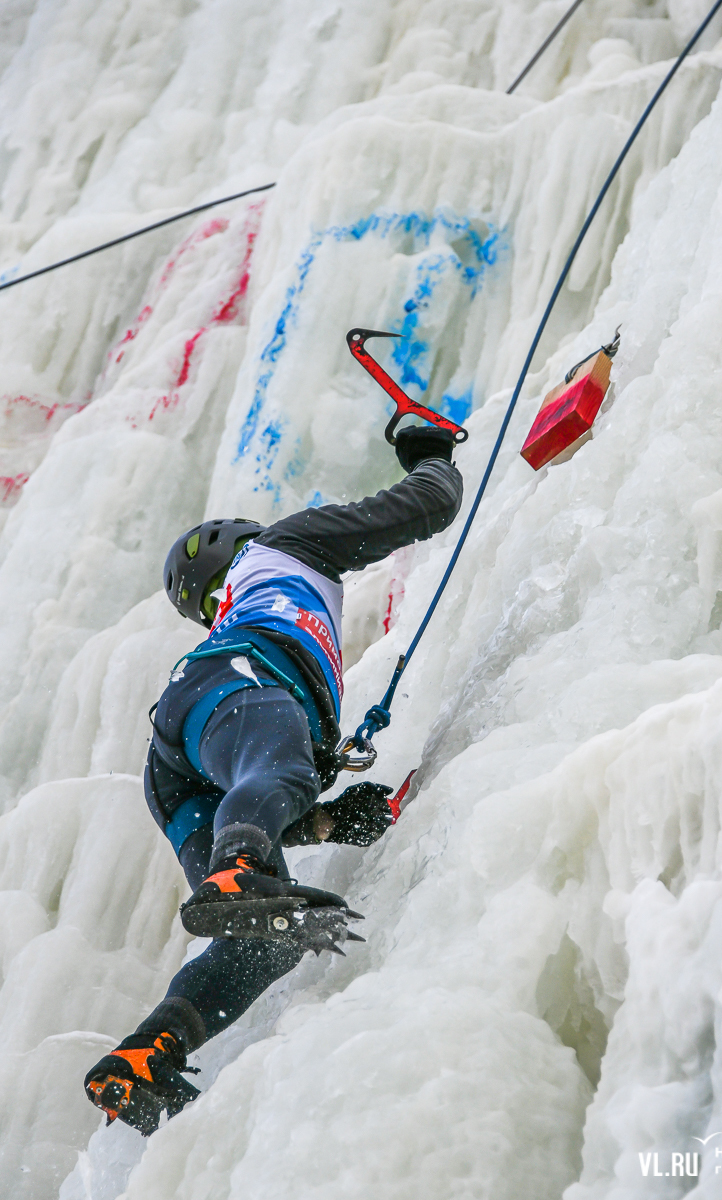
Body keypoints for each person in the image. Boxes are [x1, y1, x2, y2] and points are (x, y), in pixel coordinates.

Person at [83, 425, 463, 1135]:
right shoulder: (285, 545)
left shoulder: (229, 628)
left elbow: (258, 782)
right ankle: (238, 867)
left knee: (268, 938)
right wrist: (433, 454)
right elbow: (428, 505)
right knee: (272, 791)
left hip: (178, 764)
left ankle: (146, 1057)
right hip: (236, 689)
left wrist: (323, 822)